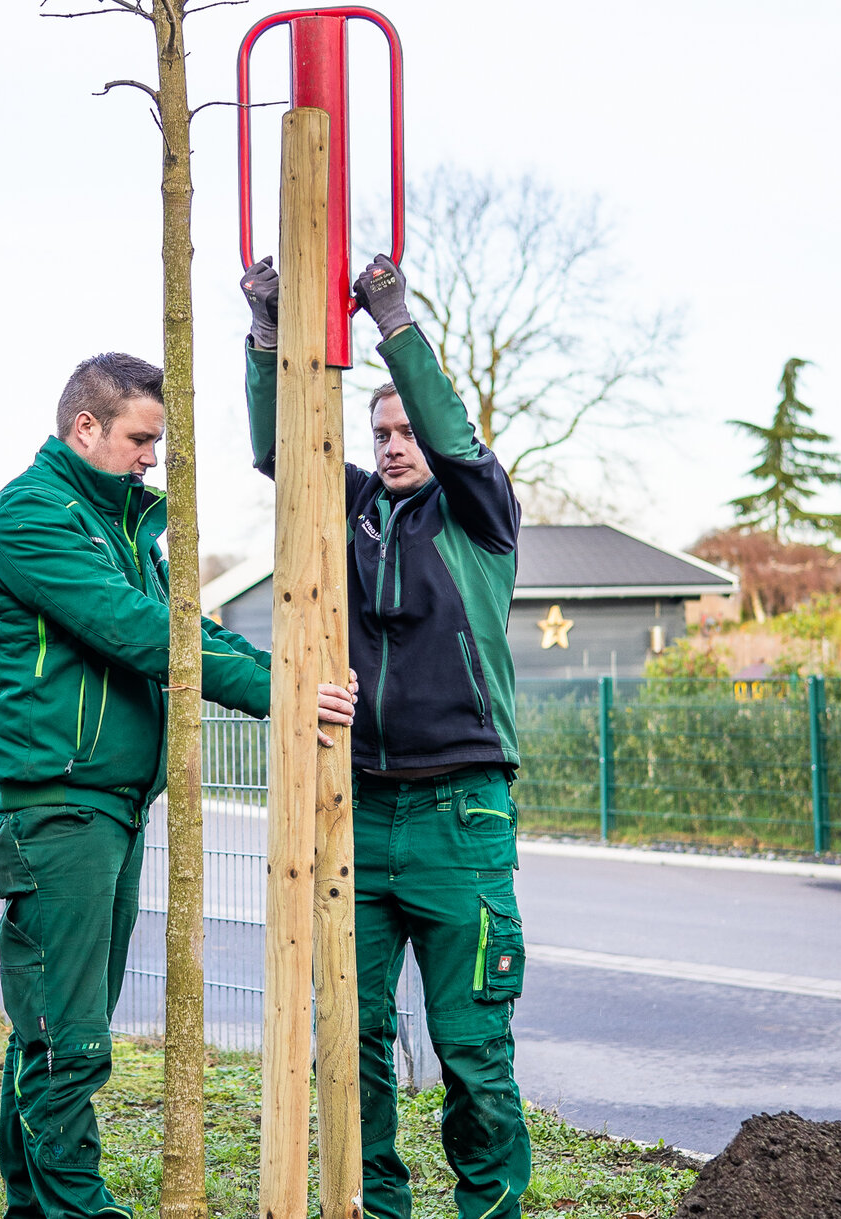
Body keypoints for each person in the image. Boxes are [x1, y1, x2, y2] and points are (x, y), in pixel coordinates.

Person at [0, 351, 357, 1219]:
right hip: (56, 803)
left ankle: (32, 1208)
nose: (152, 456)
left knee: (49, 1023)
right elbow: (140, 630)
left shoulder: (121, 525)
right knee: (68, 1036)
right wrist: (280, 693)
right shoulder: (32, 516)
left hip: (106, 803)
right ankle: (80, 1208)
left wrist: (287, 671)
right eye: (141, 438)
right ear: (85, 427)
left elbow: (189, 625)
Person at [240, 255, 531, 1218]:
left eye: (406, 429)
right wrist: (270, 339)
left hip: (461, 813)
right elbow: (288, 453)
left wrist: (396, 325)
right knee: (351, 1034)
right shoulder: (355, 513)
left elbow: (454, 433)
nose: (395, 444)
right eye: (381, 432)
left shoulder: (477, 512)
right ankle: (376, 1205)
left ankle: (488, 1206)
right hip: (360, 813)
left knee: (471, 1046)